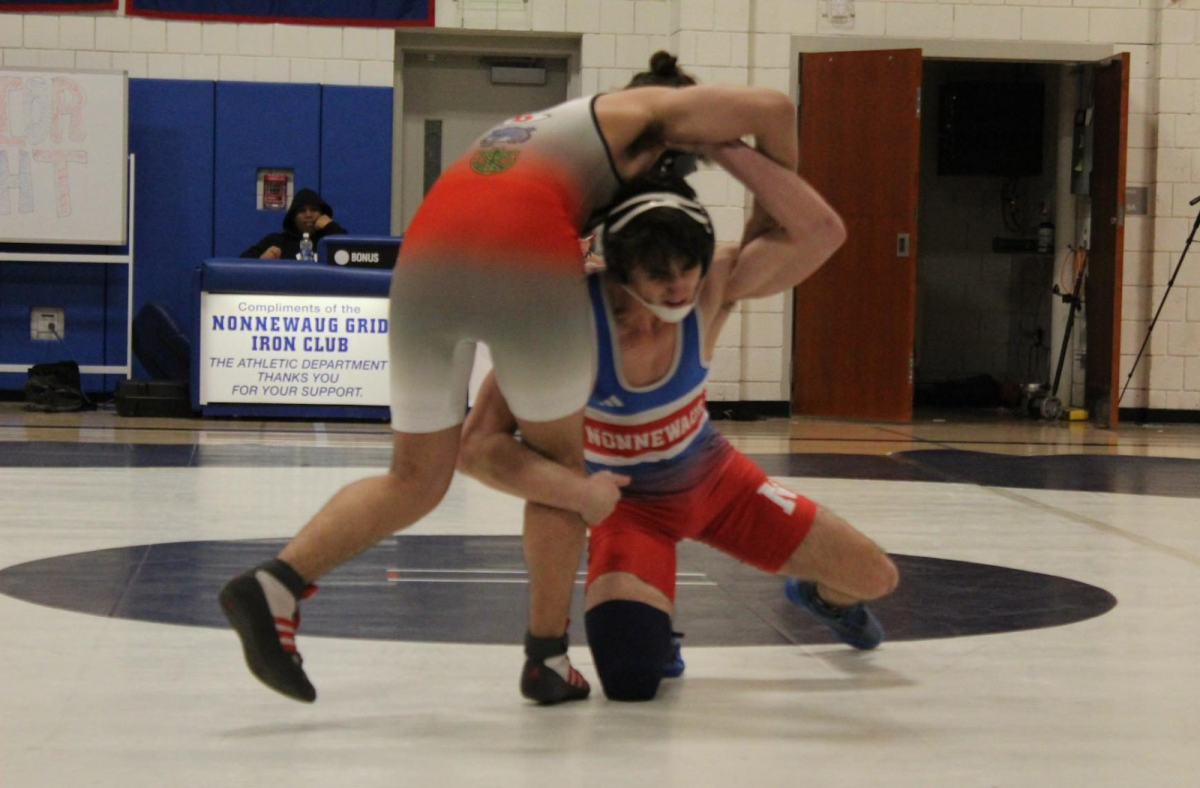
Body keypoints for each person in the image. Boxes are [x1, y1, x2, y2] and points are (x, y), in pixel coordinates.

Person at [218, 52, 810, 706]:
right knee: (559, 466)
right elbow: (774, 109)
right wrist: (761, 212)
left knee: (412, 479)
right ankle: (547, 659)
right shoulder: (648, 112)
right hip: (521, 256)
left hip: (425, 258)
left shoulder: (530, 126)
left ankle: (277, 582)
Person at [459, 156, 898, 702]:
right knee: (630, 677)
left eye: (688, 266)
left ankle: (823, 600)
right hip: (629, 510)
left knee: (877, 578)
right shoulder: (567, 322)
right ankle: (655, 627)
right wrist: (576, 492)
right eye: (660, 274)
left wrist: (729, 146)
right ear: (619, 266)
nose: (679, 287)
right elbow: (477, 447)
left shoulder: (712, 282)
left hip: (721, 485)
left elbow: (822, 232)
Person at [239, 187, 347, 260]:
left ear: (323, 214)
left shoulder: (329, 240)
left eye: (314, 210)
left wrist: (330, 226)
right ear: (293, 217)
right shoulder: (277, 240)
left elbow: (352, 253)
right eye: (302, 211)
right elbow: (243, 261)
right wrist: (262, 259)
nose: (308, 215)